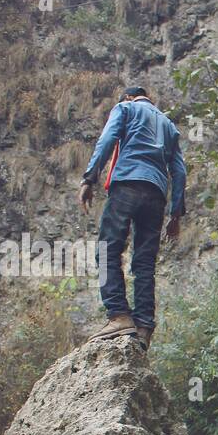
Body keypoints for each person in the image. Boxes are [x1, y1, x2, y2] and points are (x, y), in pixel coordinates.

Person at [78, 86, 186, 349]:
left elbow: (106, 141)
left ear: (128, 97)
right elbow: (179, 171)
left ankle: (118, 315)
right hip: (157, 196)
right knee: (144, 262)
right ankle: (144, 326)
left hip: (128, 184)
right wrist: (175, 214)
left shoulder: (125, 109)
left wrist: (90, 178)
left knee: (107, 250)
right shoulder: (169, 126)